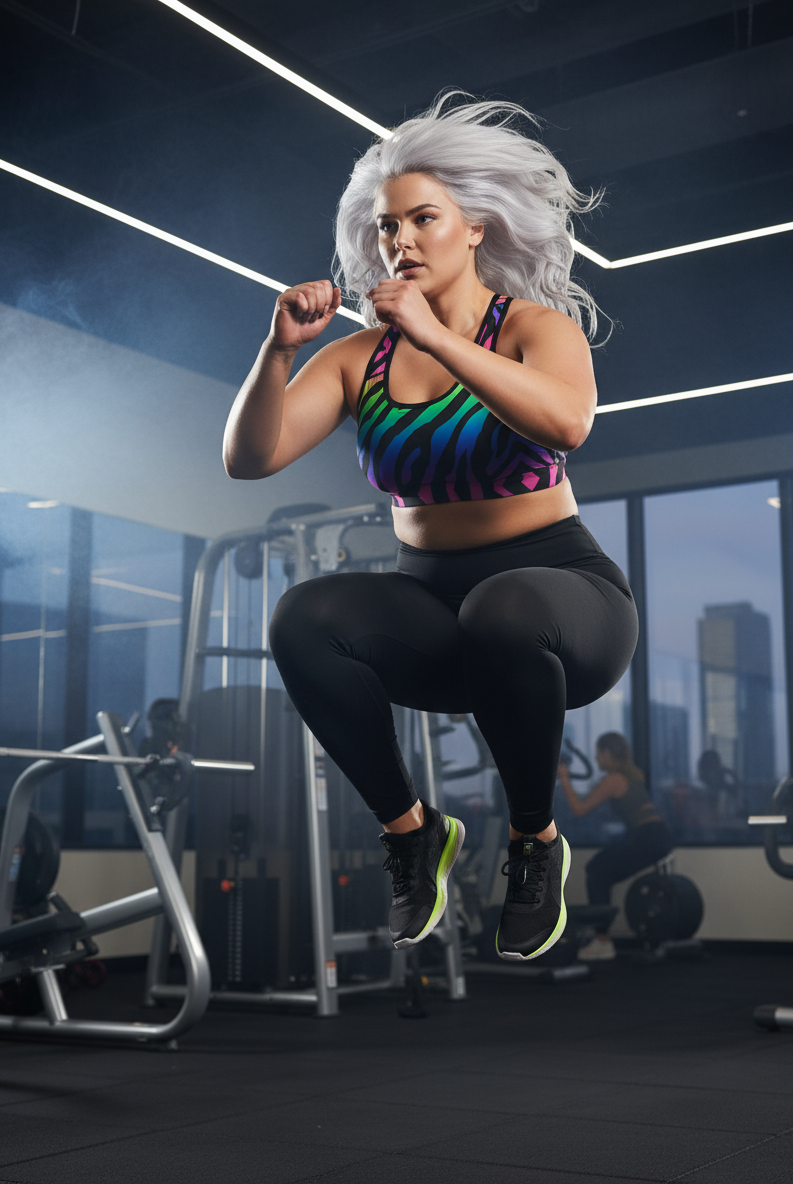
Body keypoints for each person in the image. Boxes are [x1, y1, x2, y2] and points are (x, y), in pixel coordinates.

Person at [223, 95, 638, 962]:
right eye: (387, 226)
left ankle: (534, 843)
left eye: (423, 219)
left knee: (504, 606)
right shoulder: (358, 359)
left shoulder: (535, 329)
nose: (400, 241)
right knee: (302, 618)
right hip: (435, 613)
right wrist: (279, 350)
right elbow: (249, 459)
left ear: (475, 228)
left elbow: (566, 424)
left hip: (562, 606)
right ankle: (412, 832)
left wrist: (438, 336)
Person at [558, 732, 672, 961]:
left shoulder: (612, 779)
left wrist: (564, 779)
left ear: (608, 753)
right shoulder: (633, 775)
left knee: (596, 871)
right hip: (658, 835)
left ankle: (602, 941)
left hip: (647, 836)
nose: (596, 758)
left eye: (599, 753)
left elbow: (579, 809)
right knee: (602, 872)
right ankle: (601, 934)